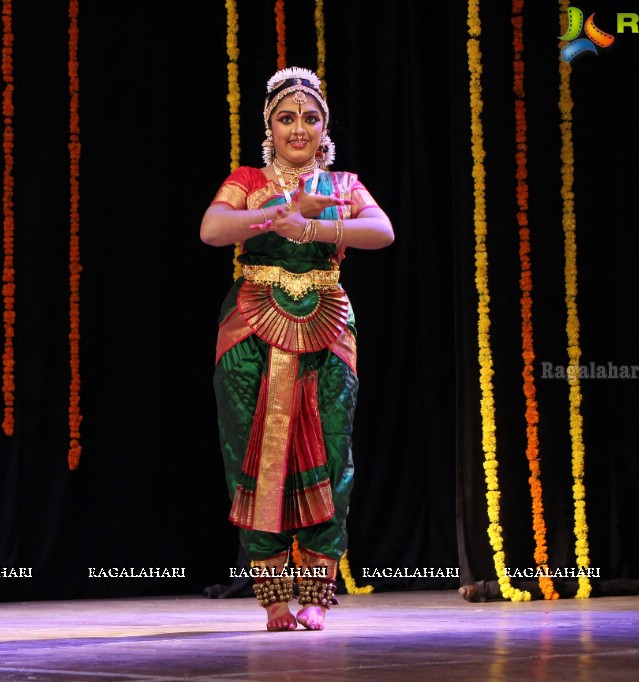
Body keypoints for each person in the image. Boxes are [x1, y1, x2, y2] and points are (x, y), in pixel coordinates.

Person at [200, 67, 394, 631]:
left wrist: (311, 227)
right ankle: (275, 598)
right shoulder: (245, 180)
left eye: (311, 118)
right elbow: (213, 230)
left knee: (332, 450)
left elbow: (381, 231)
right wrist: (275, 216)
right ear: (270, 127)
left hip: (327, 324)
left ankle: (315, 592)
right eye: (288, 118)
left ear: (324, 128)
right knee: (252, 451)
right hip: (251, 327)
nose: (299, 128)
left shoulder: (343, 186)